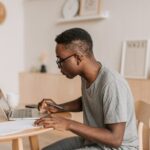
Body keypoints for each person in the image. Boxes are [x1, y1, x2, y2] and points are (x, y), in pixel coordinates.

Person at [34, 28, 139, 150]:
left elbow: (115, 139)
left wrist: (68, 124)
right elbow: (87, 100)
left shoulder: (112, 84)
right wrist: (58, 107)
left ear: (78, 58)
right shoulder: (88, 76)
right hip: (94, 141)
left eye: (61, 60)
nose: (59, 66)